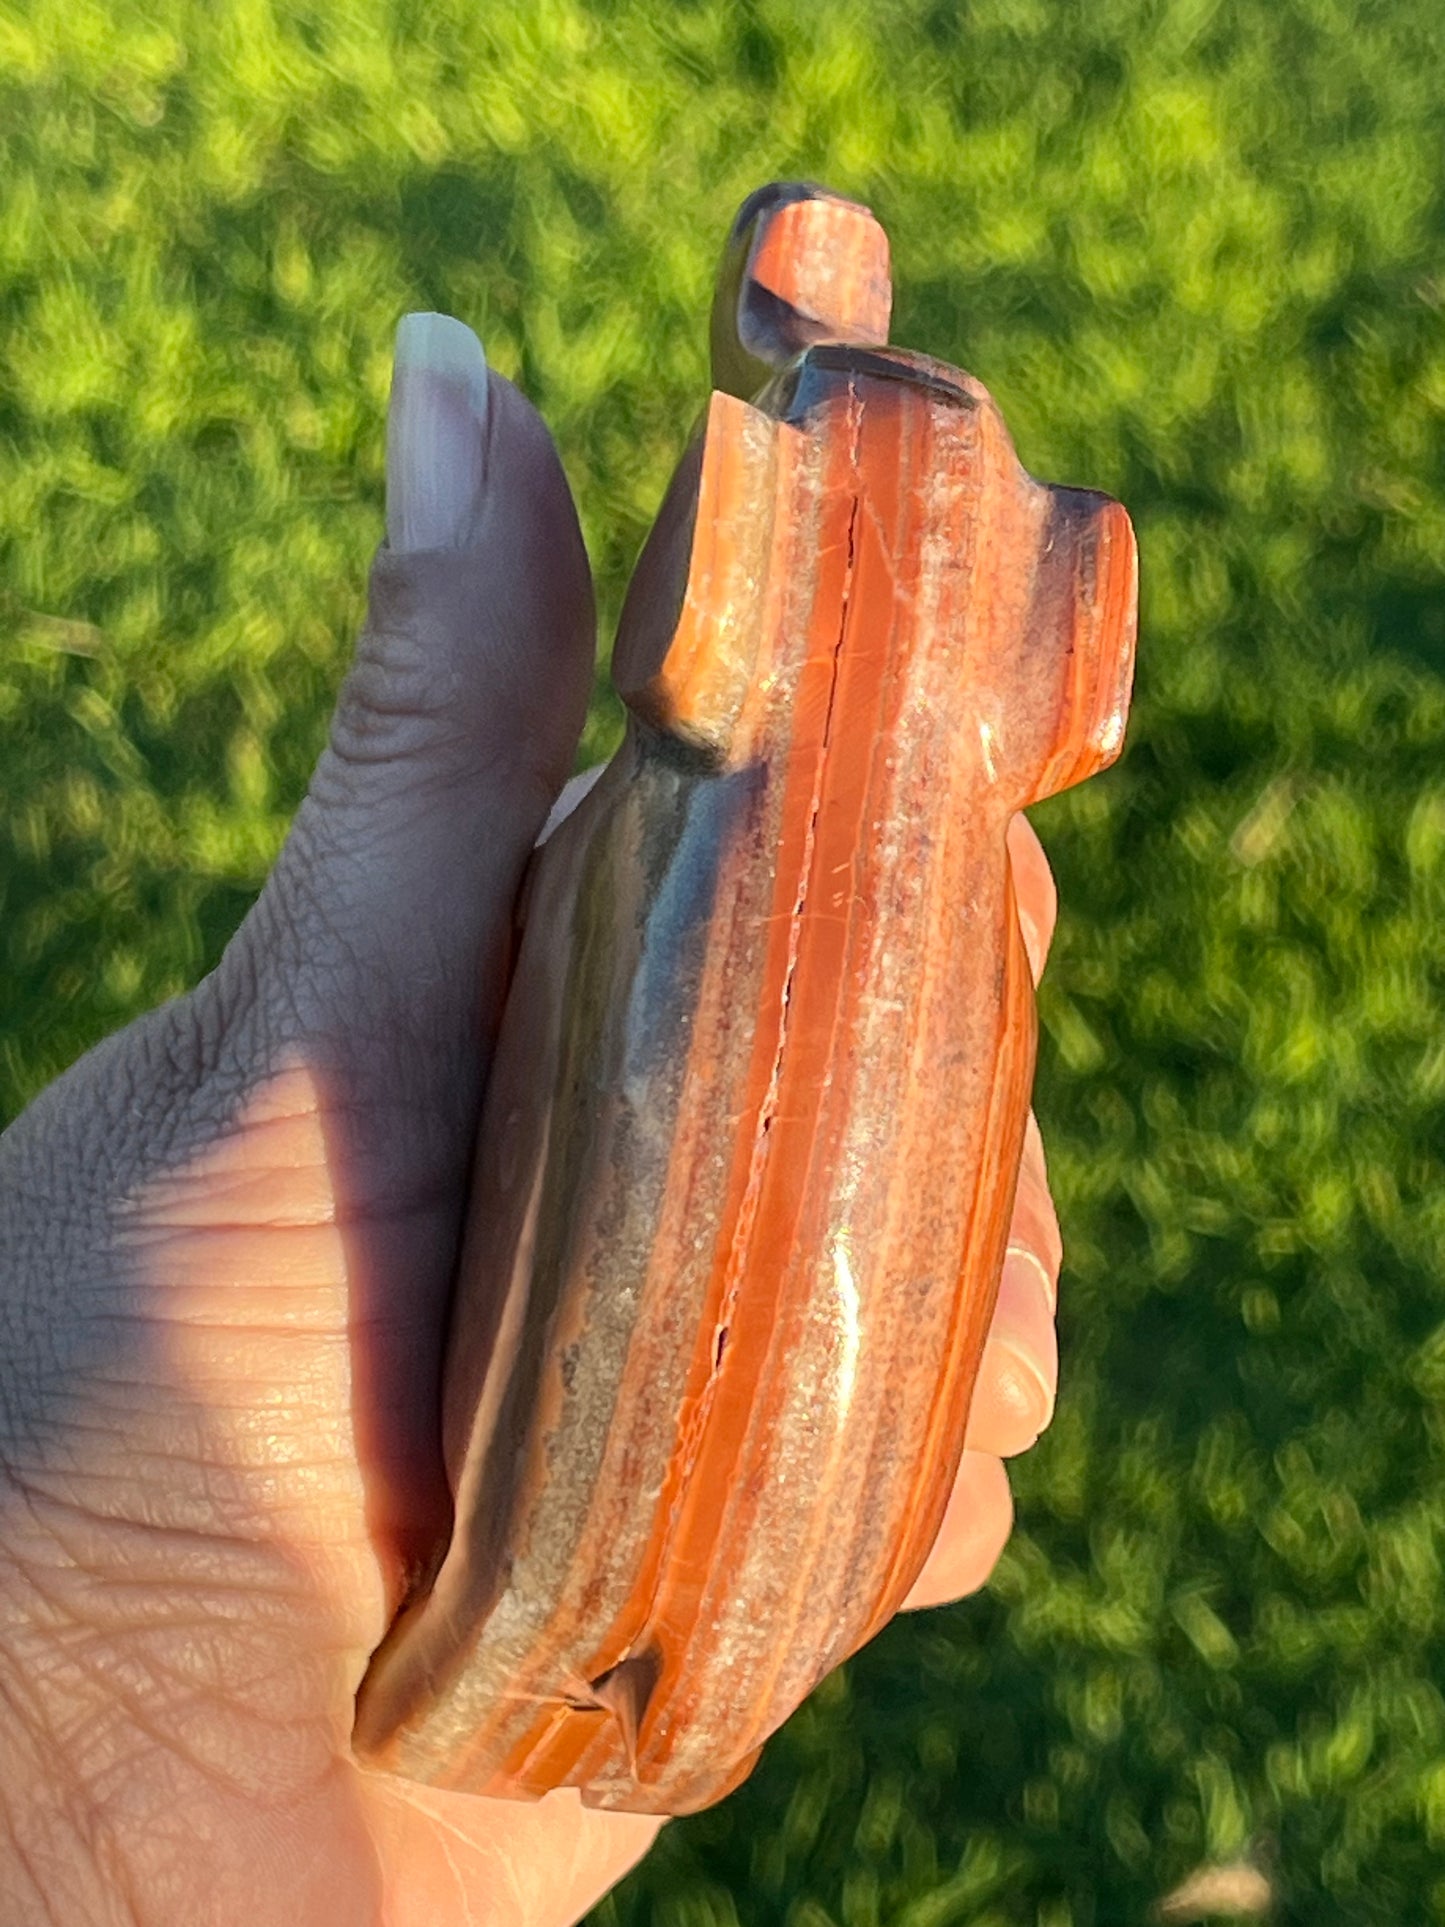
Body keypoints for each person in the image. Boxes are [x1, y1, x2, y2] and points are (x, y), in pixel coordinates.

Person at [0, 314, 1065, 1927]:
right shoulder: (903, 873)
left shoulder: (763, 831)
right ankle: (650, 1676)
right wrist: (63, 1737)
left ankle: (621, 1657)